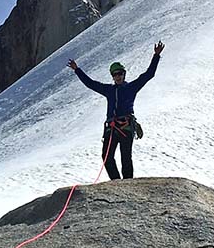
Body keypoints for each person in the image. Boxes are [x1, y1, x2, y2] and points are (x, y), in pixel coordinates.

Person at [67, 42, 164, 180]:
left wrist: (156, 56)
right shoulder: (109, 90)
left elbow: (148, 75)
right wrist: (77, 70)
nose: (117, 76)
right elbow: (90, 84)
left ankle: (127, 183)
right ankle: (117, 183)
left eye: (119, 74)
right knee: (106, 156)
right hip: (112, 128)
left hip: (125, 127)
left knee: (125, 158)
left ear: (124, 74)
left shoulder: (131, 87)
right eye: (114, 74)